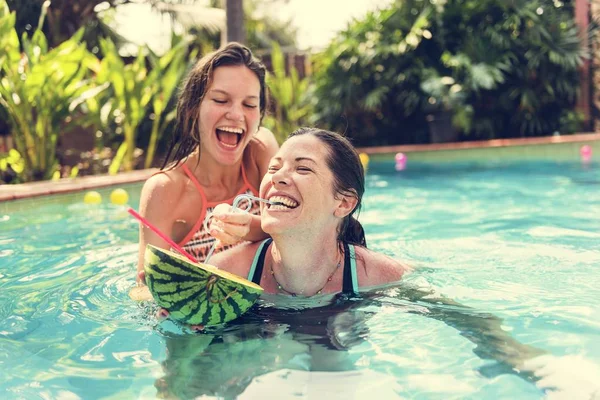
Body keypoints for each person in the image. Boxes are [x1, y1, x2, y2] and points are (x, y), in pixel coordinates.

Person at [135, 42, 279, 282]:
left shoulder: (261, 152)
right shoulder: (166, 189)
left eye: (250, 104)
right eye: (221, 100)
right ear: (194, 108)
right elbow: (146, 287)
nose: (236, 114)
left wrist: (247, 227)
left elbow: (297, 225)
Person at [208, 127, 408, 295]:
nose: (277, 177)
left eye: (303, 169)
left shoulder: (383, 277)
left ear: (344, 203)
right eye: (273, 168)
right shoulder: (223, 274)